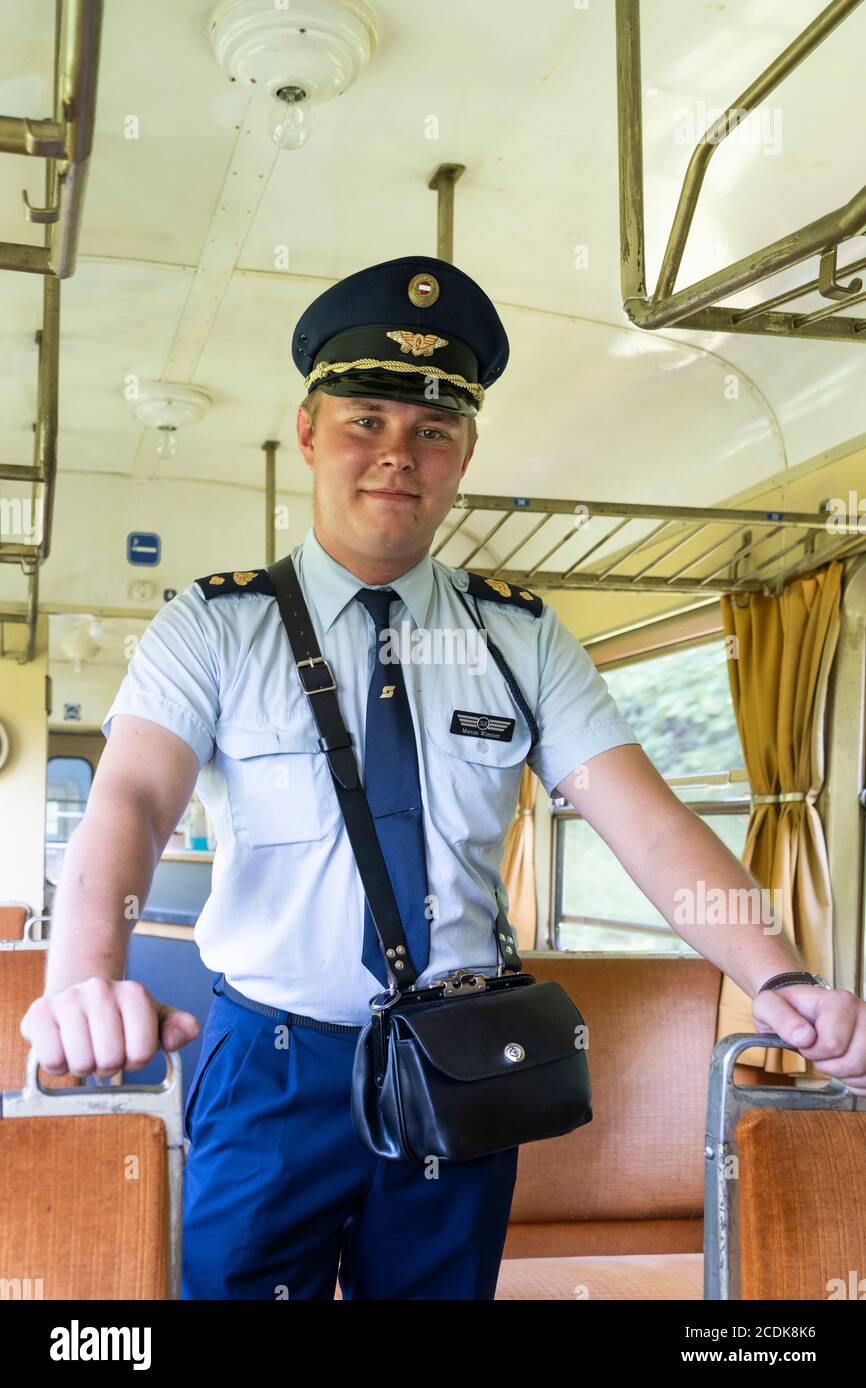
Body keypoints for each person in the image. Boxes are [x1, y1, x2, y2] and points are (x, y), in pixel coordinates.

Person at [22, 255, 866, 1302]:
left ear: (464, 452)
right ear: (307, 431)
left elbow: (647, 826)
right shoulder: (216, 624)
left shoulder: (520, 637)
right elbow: (134, 800)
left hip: (460, 1056)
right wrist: (82, 973)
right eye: (365, 419)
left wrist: (779, 979)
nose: (397, 454)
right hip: (270, 1061)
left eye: (432, 429)